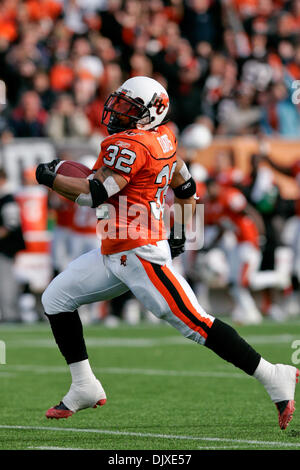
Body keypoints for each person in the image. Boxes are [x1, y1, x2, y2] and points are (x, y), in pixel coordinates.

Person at [36, 76, 298, 430]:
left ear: (150, 114)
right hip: (115, 249)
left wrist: (49, 177)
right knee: (56, 298)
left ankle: (272, 374)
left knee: (196, 323)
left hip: (140, 251)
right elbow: (186, 186)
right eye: (120, 103)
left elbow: (95, 193)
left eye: (130, 108)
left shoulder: (130, 146)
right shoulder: (164, 137)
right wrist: (182, 233)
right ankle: (84, 384)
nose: (118, 111)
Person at [0, 167, 25, 322]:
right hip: (5, 247)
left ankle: (11, 314)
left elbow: (11, 225)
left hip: (6, 248)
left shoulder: (7, 199)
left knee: (6, 282)